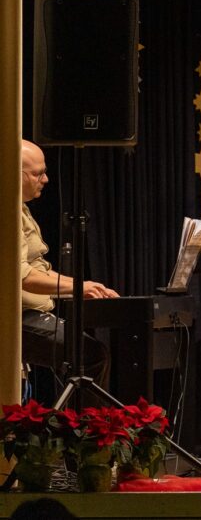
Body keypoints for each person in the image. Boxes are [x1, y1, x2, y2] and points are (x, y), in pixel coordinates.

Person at [19, 140, 117, 397]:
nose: (46, 179)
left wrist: (85, 287)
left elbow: (38, 268)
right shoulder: (6, 212)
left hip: (30, 313)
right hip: (15, 319)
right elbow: (22, 277)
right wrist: (77, 287)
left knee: (90, 352)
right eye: (38, 173)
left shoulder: (22, 209)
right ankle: (83, 432)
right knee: (90, 355)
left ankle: (72, 428)